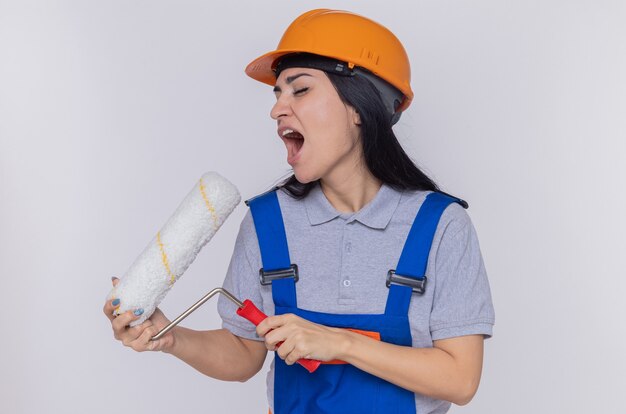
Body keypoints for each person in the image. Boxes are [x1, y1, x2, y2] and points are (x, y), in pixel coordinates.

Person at [103, 8, 495, 413]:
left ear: (360, 107)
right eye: (277, 93)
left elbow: (460, 379)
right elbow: (244, 353)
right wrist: (171, 337)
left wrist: (337, 342)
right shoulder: (268, 222)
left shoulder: (440, 226)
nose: (277, 109)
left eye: (300, 89)